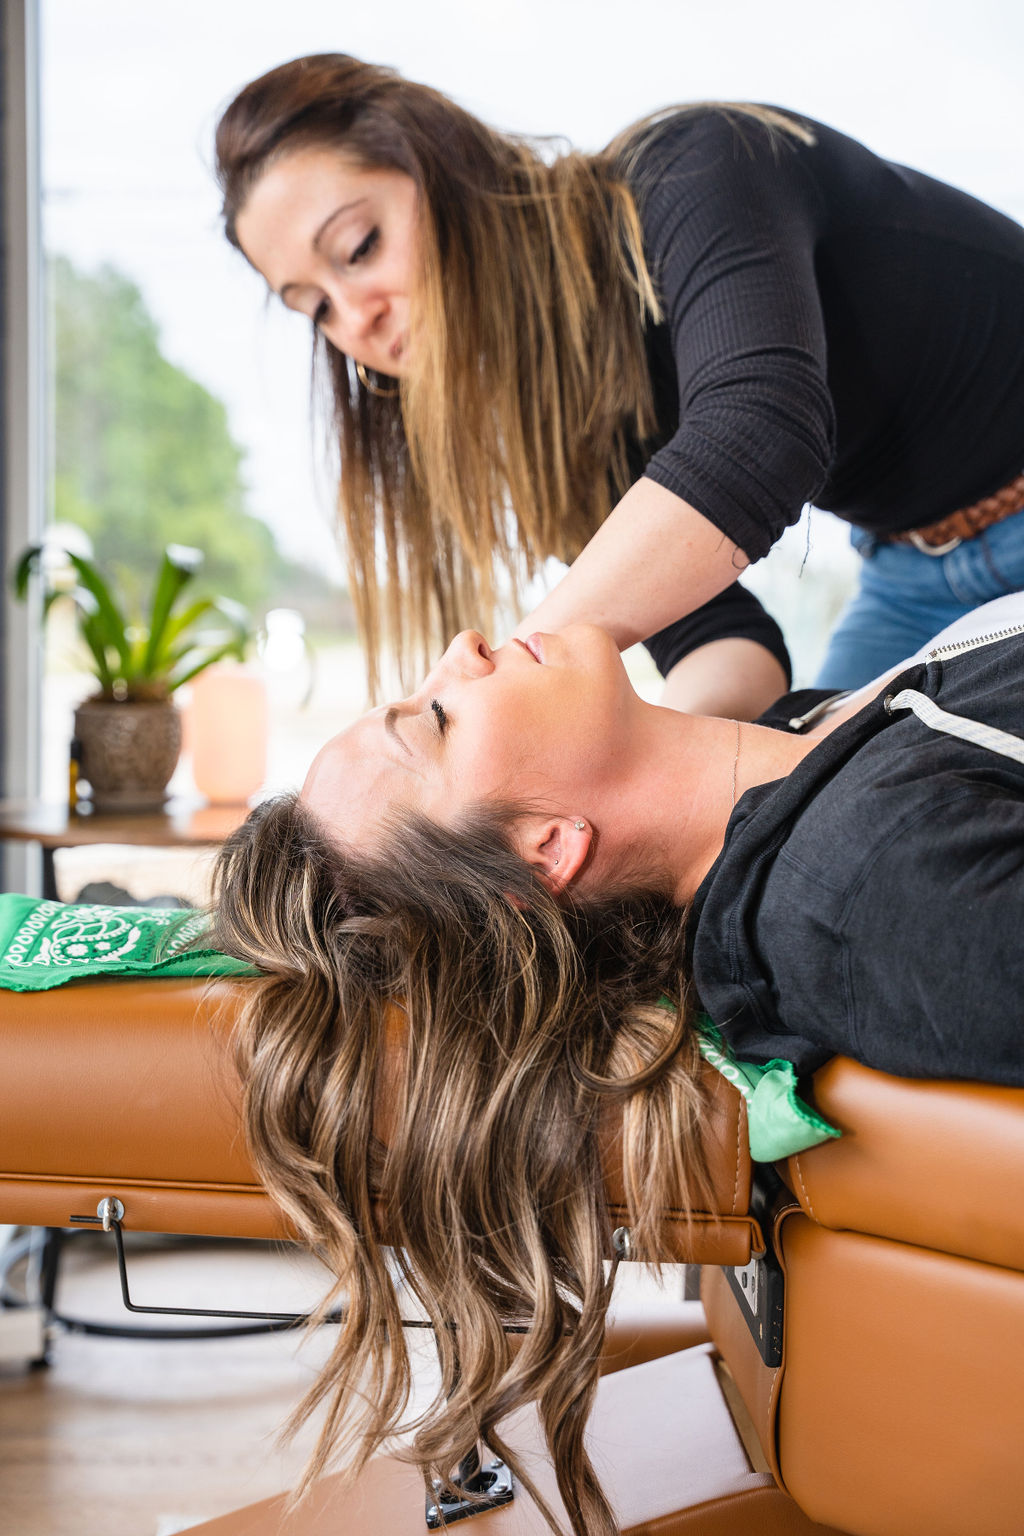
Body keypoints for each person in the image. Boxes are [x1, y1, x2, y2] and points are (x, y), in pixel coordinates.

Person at [209, 594, 1024, 1536]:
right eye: (436, 719)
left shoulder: (803, 753)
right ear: (547, 845)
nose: (461, 649)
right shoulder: (867, 885)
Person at [215, 54, 1024, 716]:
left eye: (359, 246)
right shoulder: (561, 423)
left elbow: (761, 432)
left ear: (446, 166)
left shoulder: (696, 166)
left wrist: (486, 690)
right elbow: (723, 651)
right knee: (815, 807)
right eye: (314, 307)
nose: (355, 318)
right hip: (911, 572)